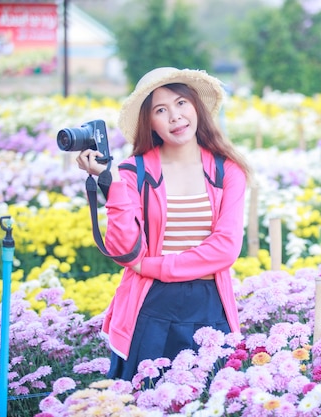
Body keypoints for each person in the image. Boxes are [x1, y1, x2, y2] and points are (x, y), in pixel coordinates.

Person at [76, 67, 251, 382]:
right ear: (150, 122)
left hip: (210, 305)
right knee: (141, 401)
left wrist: (153, 266)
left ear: (196, 106)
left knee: (210, 399)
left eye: (181, 103)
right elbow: (124, 251)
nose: (175, 116)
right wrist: (112, 184)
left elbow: (225, 250)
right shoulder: (133, 173)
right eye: (161, 109)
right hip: (149, 306)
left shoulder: (228, 171)